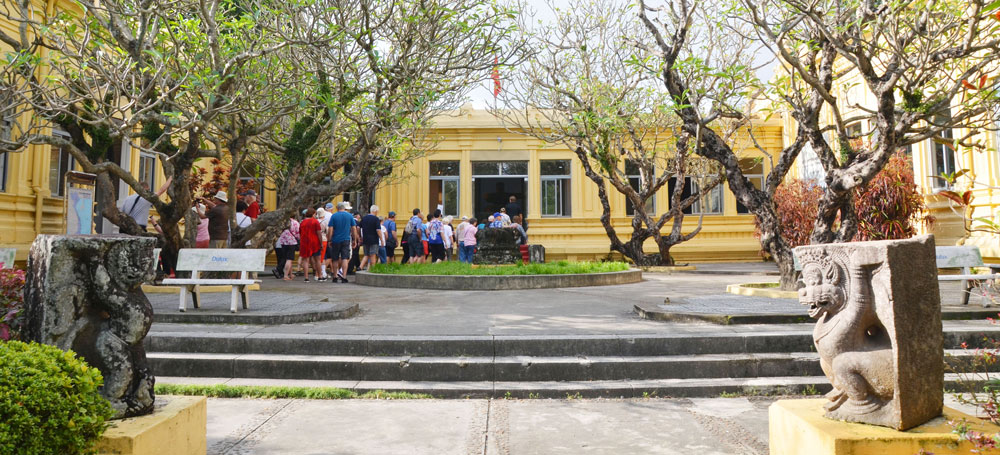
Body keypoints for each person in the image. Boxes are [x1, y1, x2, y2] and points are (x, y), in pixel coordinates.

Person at [326, 201, 355, 283]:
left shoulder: (334, 216)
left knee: (335, 259)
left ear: (337, 208)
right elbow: (353, 228)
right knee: (345, 258)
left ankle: (335, 276)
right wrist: (355, 239)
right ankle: (344, 276)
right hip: (346, 239)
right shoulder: (349, 216)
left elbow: (330, 229)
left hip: (336, 239)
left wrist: (329, 239)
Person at [298, 208, 323, 282]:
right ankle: (320, 276)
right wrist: (321, 243)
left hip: (305, 243)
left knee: (306, 260)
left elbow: (300, 233)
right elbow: (319, 233)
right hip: (315, 242)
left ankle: (306, 277)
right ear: (313, 214)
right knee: (318, 260)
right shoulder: (315, 222)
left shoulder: (302, 222)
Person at [274, 215, 300, 280]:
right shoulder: (295, 223)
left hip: (283, 242)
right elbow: (298, 233)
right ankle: (286, 275)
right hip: (292, 242)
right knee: (289, 259)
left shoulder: (282, 222)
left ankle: (290, 274)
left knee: (286, 258)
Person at [359, 205, 381, 270]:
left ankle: (360, 267)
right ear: (375, 211)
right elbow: (378, 230)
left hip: (365, 239)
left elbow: (358, 227)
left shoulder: (364, 218)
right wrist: (382, 239)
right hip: (374, 240)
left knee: (366, 255)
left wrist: (359, 236)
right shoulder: (376, 219)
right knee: (373, 254)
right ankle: (373, 268)